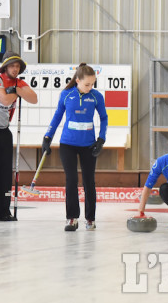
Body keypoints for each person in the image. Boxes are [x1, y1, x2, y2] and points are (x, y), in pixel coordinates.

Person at [43, 63, 108, 231]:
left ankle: (90, 219)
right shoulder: (66, 94)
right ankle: (71, 218)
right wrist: (47, 137)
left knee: (89, 182)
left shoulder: (96, 97)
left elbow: (104, 118)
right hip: (68, 144)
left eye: (92, 84)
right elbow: (57, 116)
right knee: (71, 180)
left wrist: (101, 139)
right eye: (87, 84)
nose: (90, 87)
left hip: (88, 145)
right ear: (77, 80)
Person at [0, 51, 37, 222]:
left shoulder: (18, 82)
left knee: (6, 173)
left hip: (4, 130)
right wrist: (17, 93)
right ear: (5, 66)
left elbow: (33, 98)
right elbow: (4, 99)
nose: (15, 68)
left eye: (18, 66)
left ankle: (4, 209)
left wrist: (18, 89)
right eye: (12, 65)